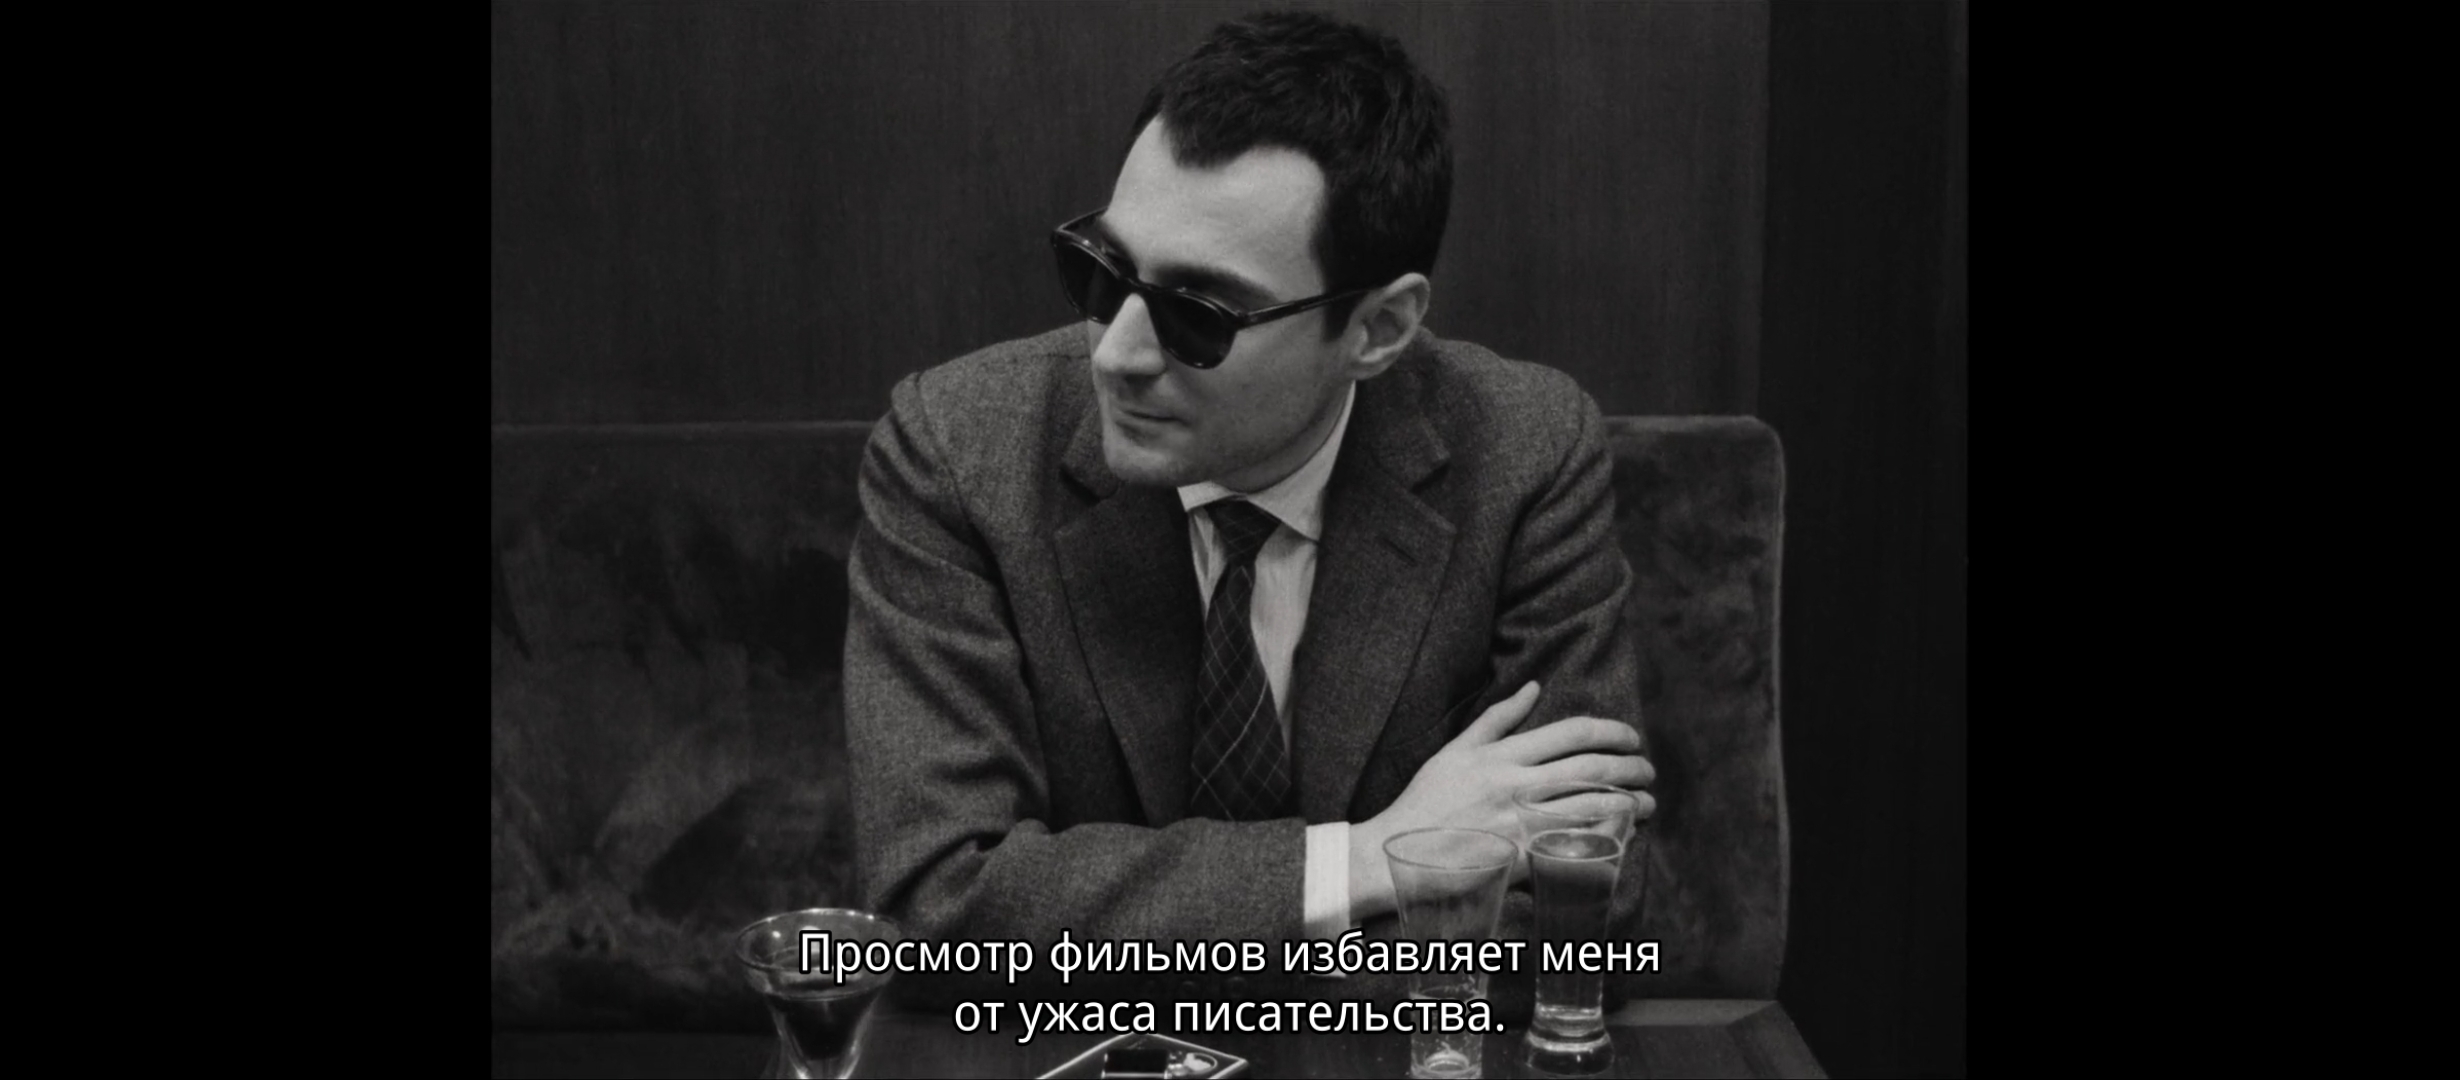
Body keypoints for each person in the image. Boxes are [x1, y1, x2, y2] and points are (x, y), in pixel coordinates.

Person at [844, 10, 1653, 1012]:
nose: (1116, 353)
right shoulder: (957, 450)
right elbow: (934, 913)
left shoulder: (1524, 452)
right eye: (1101, 271)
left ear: (1378, 329)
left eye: (1199, 315)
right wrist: (1370, 860)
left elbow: (1582, 918)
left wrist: (1119, 943)